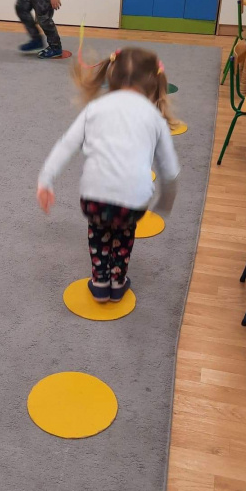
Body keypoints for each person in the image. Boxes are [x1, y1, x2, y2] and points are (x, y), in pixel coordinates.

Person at [37, 48, 180, 302]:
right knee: (123, 234)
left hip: (94, 197)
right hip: (133, 201)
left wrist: (45, 180)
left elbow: (66, 145)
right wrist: (165, 202)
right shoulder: (155, 118)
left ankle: (100, 283)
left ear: (111, 77)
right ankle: (118, 281)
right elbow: (170, 171)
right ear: (153, 83)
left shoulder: (95, 108)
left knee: (99, 233)